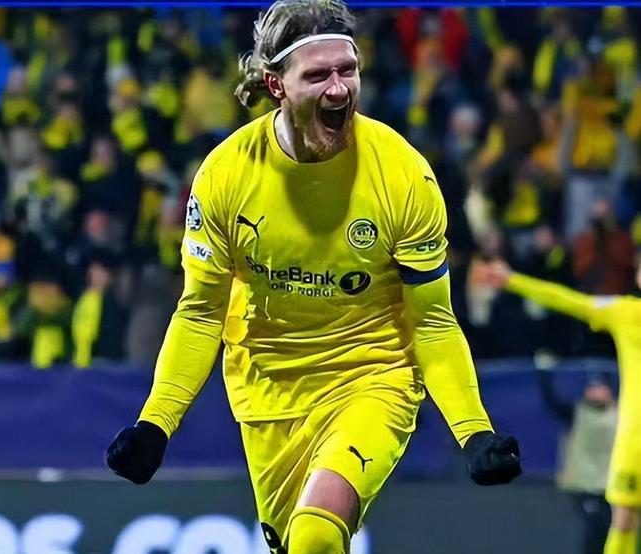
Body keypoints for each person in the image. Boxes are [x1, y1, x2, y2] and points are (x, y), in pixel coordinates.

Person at [105, 2, 521, 552]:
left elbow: (433, 321)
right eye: (318, 75)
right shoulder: (225, 176)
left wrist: (473, 431)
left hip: (372, 375)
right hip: (267, 393)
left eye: (348, 70)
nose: (339, 89)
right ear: (276, 85)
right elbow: (202, 312)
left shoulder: (403, 175)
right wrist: (155, 424)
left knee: (315, 535)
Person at [479, 257, 641, 554]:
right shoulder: (628, 312)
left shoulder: (628, 313)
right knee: (623, 520)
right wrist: (514, 281)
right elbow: (568, 300)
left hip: (634, 441)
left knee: (624, 520)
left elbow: (568, 301)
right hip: (633, 441)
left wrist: (512, 280)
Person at [538, 363, 617, 554]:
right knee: (595, 527)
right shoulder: (576, 412)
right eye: (592, 387)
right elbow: (551, 400)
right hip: (583, 485)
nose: (595, 391)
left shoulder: (621, 414)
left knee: (610, 530)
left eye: (600, 387)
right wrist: (544, 371)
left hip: (610, 486)